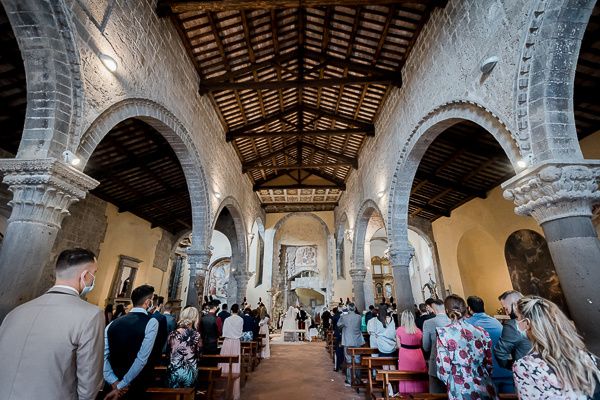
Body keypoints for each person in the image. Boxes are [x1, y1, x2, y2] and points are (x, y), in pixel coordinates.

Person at [0, 248, 104, 400]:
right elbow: (89, 381)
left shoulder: (16, 312)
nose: (93, 279)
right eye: (94, 273)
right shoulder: (91, 315)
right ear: (85, 275)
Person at [513, 295, 600, 399]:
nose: (516, 323)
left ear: (527, 323)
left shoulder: (526, 367)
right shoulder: (585, 356)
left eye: (517, 318)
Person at [103, 284, 160, 399]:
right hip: (135, 383)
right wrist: (122, 384)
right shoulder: (151, 322)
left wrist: (113, 381)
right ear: (148, 302)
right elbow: (141, 359)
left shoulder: (112, 324)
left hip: (112, 383)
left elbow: (103, 356)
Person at [436, 295, 496, 400]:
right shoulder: (481, 331)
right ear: (466, 309)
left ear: (446, 311)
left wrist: (451, 381)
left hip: (459, 383)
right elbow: (489, 360)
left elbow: (443, 368)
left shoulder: (444, 333)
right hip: (483, 378)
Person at [466, 296, 514, 394]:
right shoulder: (496, 321)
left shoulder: (467, 324)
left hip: (488, 373)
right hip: (506, 370)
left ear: (469, 309)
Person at [494, 290, 532, 370]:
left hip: (527, 370)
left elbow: (500, 353)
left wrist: (511, 367)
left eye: (506, 309)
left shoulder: (512, 325)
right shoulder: (538, 316)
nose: (507, 313)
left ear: (514, 305)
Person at [166, 306, 202, 388]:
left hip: (174, 370)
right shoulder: (196, 335)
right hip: (190, 371)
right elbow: (199, 353)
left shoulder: (172, 334)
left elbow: (168, 352)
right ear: (195, 319)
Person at [422, 298, 450, 393]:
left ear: (432, 308)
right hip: (454, 366)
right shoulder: (453, 320)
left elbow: (426, 347)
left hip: (436, 364)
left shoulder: (428, 323)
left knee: (436, 393)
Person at [396, 310, 427, 393]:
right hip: (417, 354)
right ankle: (421, 393)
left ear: (403, 319)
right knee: (418, 375)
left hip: (404, 354)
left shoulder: (399, 330)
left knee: (405, 375)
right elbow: (421, 344)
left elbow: (398, 346)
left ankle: (406, 393)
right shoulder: (418, 331)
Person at [338, 302, 365, 386]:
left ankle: (349, 380)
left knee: (349, 360)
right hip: (357, 340)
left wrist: (342, 322)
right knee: (357, 359)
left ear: (348, 308)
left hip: (348, 340)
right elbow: (359, 327)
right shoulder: (359, 317)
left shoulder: (344, 317)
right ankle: (358, 379)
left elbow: (338, 325)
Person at [220, 303, 243, 400]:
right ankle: (233, 391)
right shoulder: (240, 319)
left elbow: (224, 331)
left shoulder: (227, 319)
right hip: (236, 342)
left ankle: (223, 388)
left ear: (231, 310)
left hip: (227, 342)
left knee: (224, 363)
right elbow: (240, 331)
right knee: (234, 365)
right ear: (237, 310)